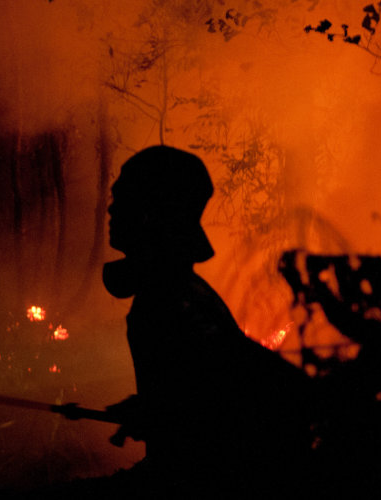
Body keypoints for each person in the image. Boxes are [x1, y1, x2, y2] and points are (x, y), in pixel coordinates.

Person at [101, 146, 312, 494]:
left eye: (122, 199)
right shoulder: (179, 290)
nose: (111, 209)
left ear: (150, 215)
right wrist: (153, 408)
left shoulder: (169, 301)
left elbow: (222, 410)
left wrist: (160, 414)